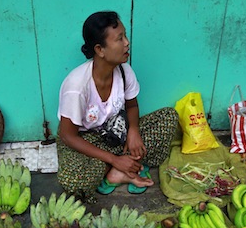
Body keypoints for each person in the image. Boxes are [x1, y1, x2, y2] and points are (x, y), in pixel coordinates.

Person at [56, 11, 178, 202]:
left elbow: (132, 106)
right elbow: (68, 135)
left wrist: (134, 131)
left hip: (117, 132)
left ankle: (119, 168)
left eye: (125, 36)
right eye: (119, 39)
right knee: (73, 181)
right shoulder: (77, 87)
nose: (127, 43)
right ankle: (120, 166)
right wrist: (113, 159)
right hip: (85, 140)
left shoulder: (124, 71)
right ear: (100, 49)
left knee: (169, 117)